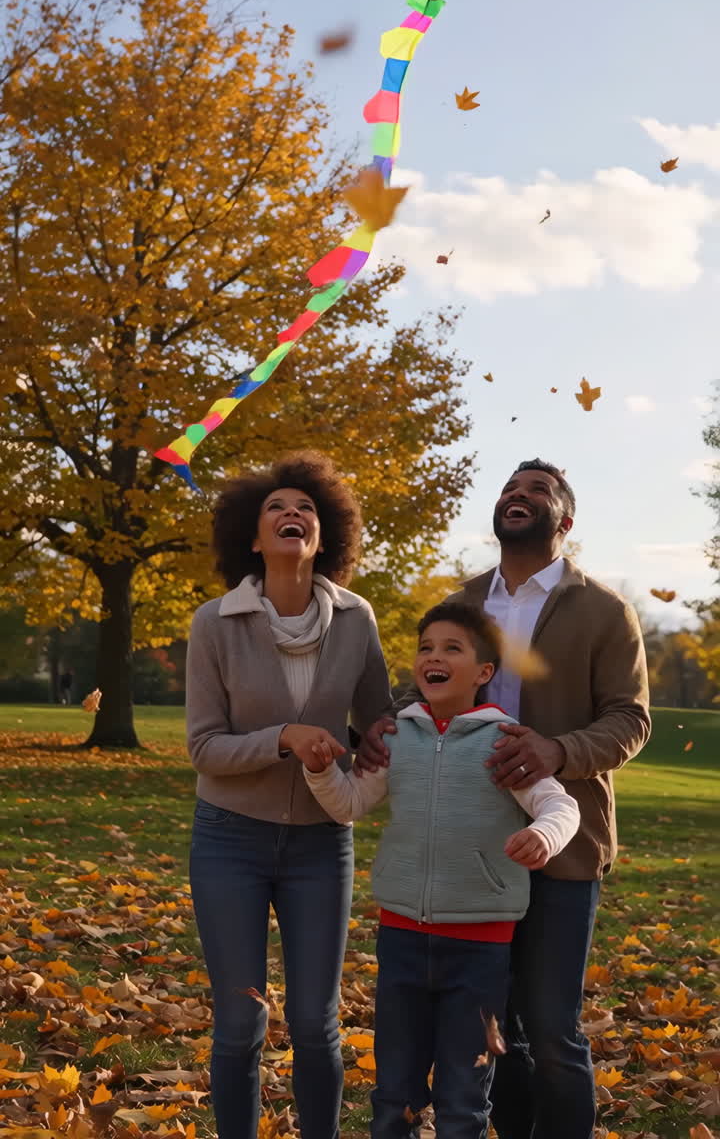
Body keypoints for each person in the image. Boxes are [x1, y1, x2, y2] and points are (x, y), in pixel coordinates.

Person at [358, 458, 651, 1139]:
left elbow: (630, 719)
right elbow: (431, 683)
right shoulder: (465, 601)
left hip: (563, 840)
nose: (518, 497)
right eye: (510, 490)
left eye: (537, 490)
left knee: (551, 1031)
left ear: (565, 520)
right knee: (497, 1035)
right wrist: (388, 720)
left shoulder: (604, 610)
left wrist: (557, 751)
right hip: (470, 852)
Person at [303, 600, 580, 1139]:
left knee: (462, 1098)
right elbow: (349, 804)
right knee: (393, 1096)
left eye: (452, 648)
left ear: (483, 673)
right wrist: (320, 772)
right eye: (426, 647)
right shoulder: (397, 739)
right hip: (402, 939)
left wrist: (543, 835)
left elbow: (560, 805)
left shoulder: (503, 743)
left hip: (480, 949)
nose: (434, 656)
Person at [186, 451, 393, 1139]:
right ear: (252, 536)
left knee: (315, 1022)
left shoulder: (357, 619)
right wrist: (285, 737)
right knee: (241, 1020)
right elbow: (204, 747)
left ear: (324, 533)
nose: (291, 514)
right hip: (229, 839)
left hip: (320, 842)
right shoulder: (214, 622)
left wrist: (398, 733)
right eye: (276, 507)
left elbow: (375, 724)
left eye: (305, 507)